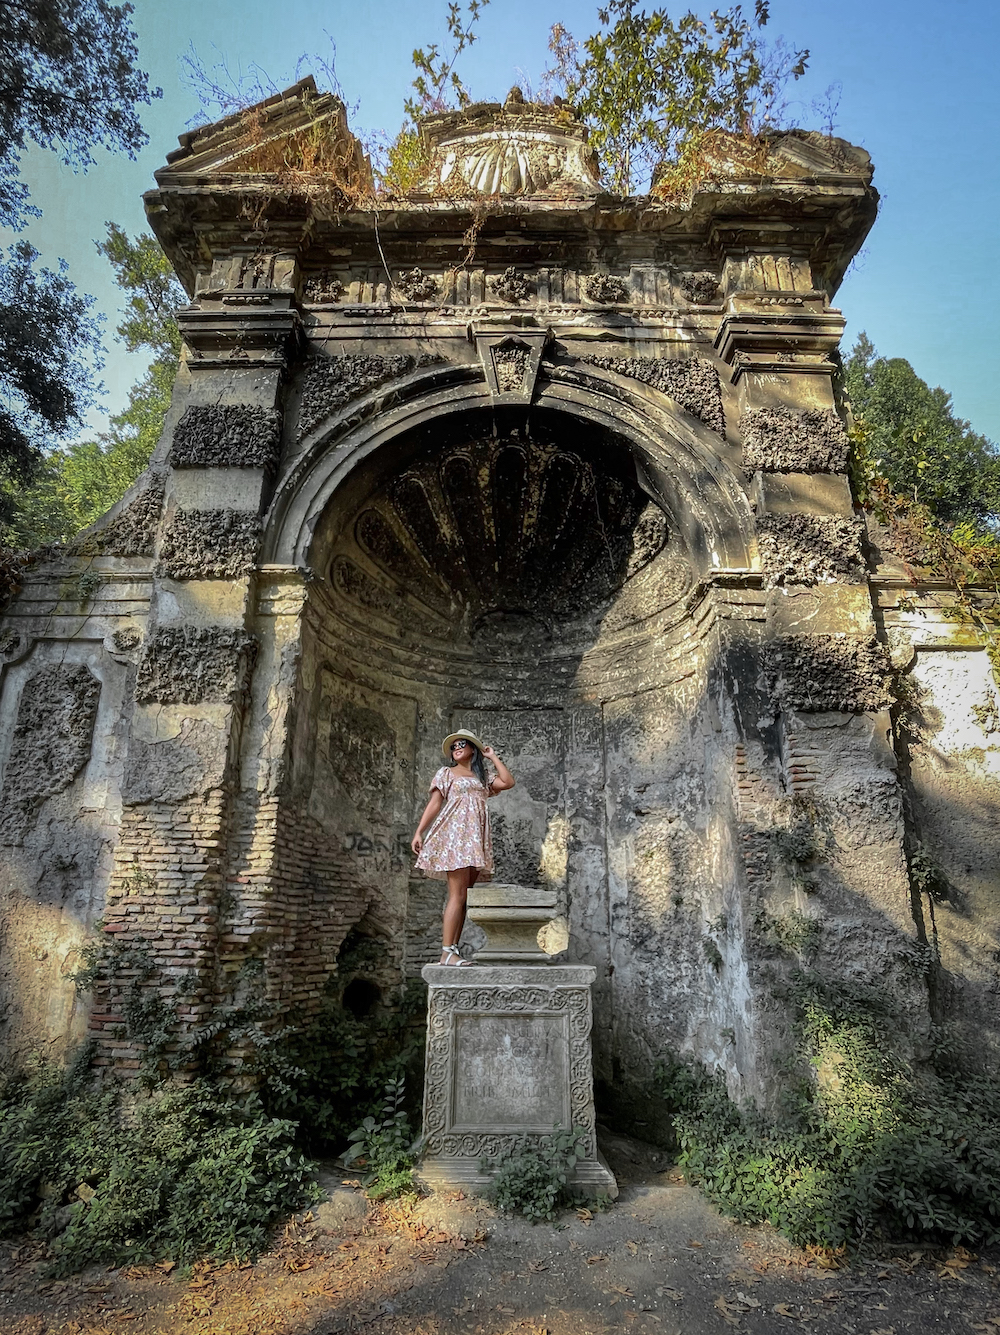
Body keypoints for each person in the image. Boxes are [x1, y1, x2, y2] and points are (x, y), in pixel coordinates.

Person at [411, 729, 515, 966]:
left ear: (472, 749)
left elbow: (508, 782)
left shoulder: (482, 776)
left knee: (465, 897)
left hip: (475, 841)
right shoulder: (446, 773)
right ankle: (446, 952)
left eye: (462, 744)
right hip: (455, 838)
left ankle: (452, 950)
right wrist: (419, 832)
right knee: (456, 895)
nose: (456, 747)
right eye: (453, 745)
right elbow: (434, 804)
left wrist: (493, 757)